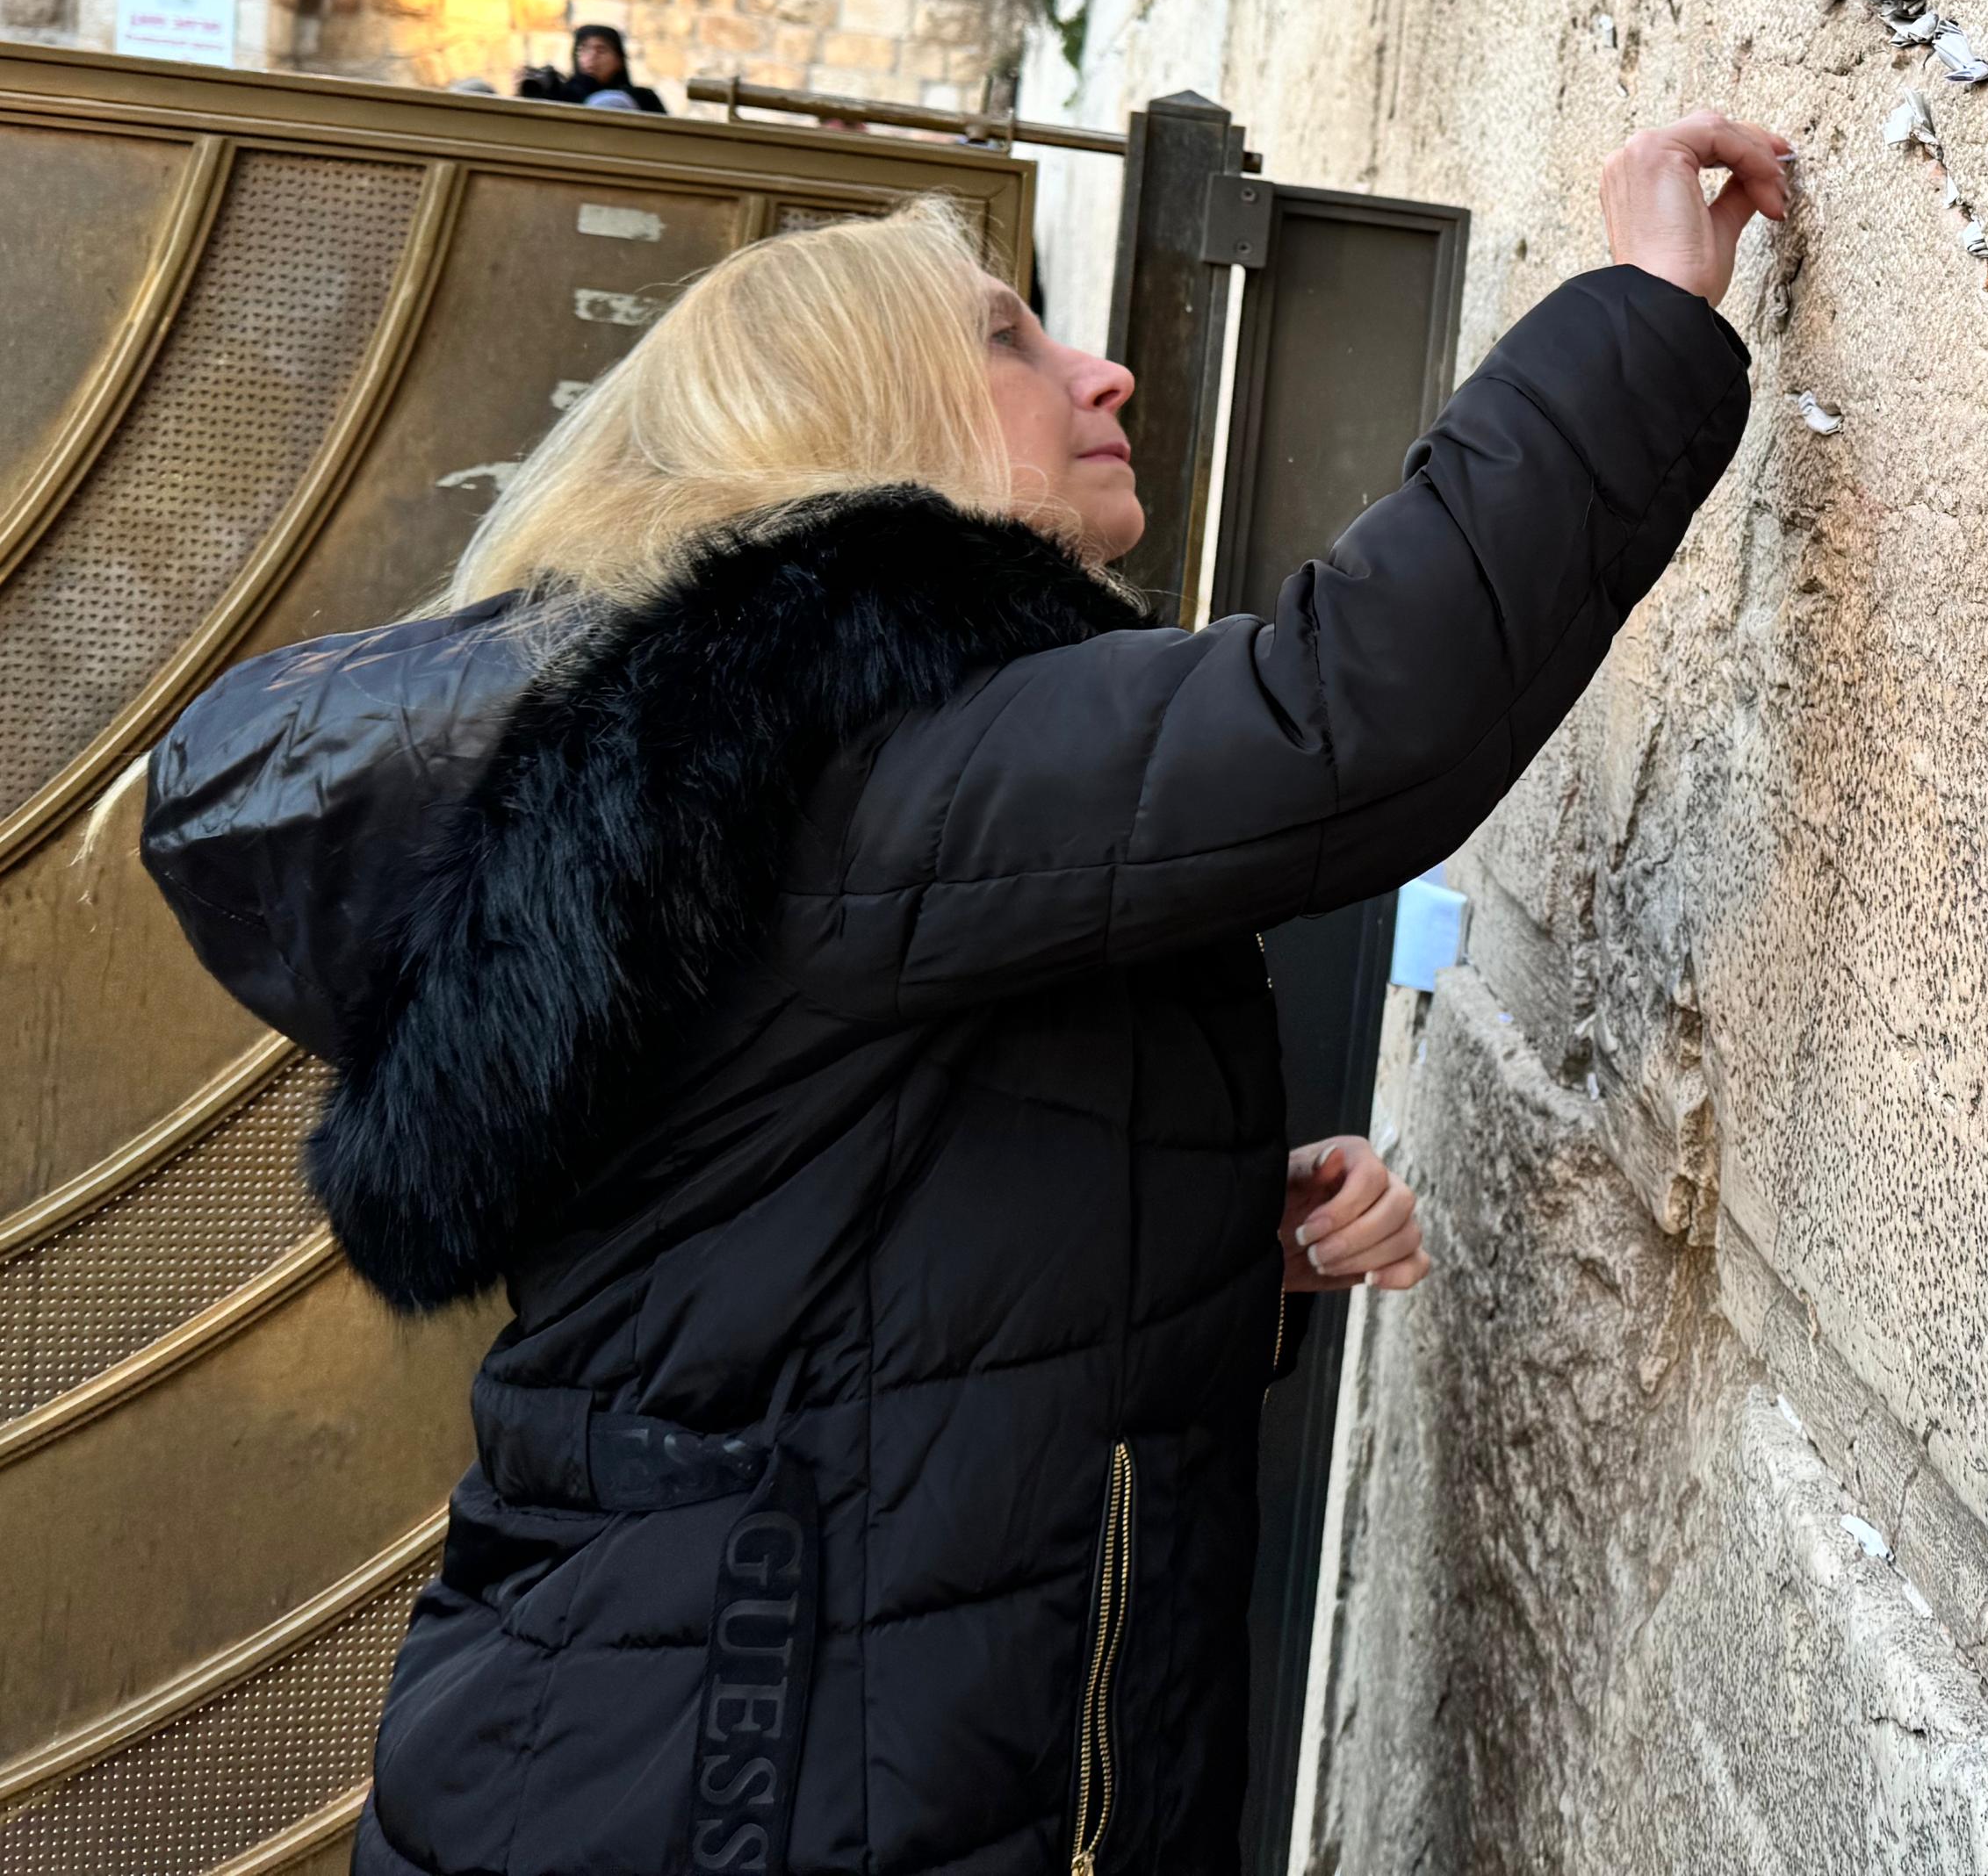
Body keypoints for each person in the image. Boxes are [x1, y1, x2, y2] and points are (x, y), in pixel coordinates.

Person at [139, 113, 1789, 1876]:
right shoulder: (827, 765)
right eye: (1008, 337)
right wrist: (1633, 316)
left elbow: (830, 1271)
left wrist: (1224, 1241)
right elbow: (1341, 721)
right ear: (851, 424)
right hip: (730, 1797)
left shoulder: (754, 794)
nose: (1106, 374)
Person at [516, 22, 668, 111]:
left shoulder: (642, 98)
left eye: (601, 50)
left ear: (618, 60)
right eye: (583, 49)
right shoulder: (561, 94)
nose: (592, 57)